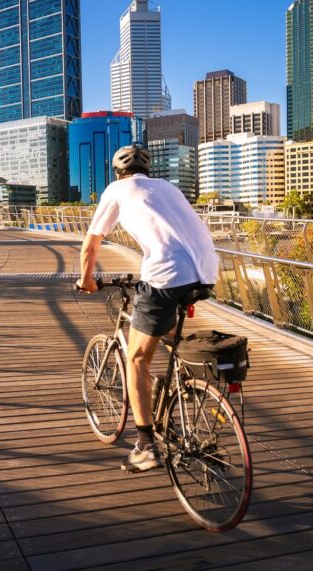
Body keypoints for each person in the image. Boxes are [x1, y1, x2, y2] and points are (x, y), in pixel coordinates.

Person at [75, 144, 218, 472]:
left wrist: (87, 280)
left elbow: (90, 245)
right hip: (206, 269)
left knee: (137, 359)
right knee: (164, 329)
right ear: (148, 170)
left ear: (117, 172)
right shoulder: (167, 187)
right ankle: (182, 383)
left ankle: (145, 446)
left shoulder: (117, 189)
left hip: (167, 274)